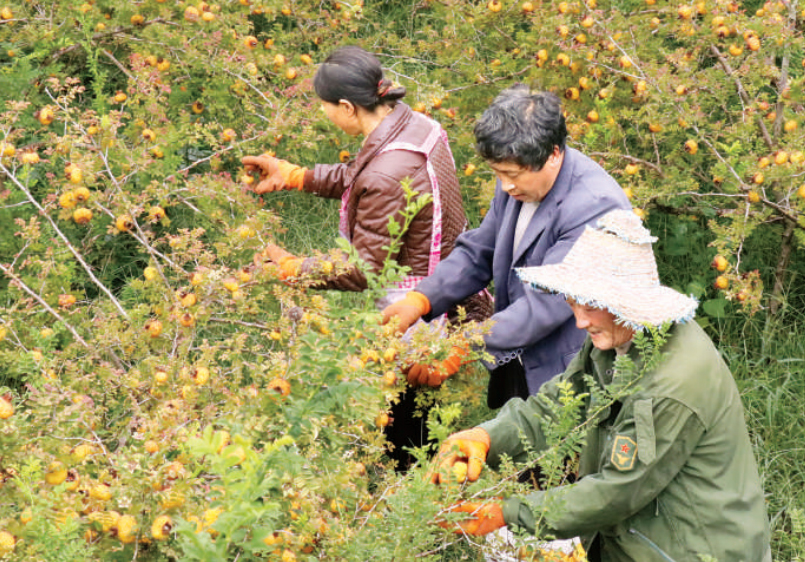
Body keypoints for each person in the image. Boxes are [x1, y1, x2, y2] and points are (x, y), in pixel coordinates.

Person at [428, 210, 771, 562]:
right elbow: (558, 403)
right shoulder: (618, 337)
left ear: (626, 302)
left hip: (695, 550)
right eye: (573, 302)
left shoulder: (671, 383)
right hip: (644, 537)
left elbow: (619, 491)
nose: (580, 321)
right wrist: (486, 437)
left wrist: (508, 513)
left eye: (591, 305)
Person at [242, 45, 492, 468]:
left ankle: (414, 488)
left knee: (405, 420)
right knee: (411, 407)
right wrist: (297, 176)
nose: (323, 113)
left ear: (346, 107)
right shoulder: (412, 125)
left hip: (413, 304)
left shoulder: (389, 170)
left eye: (325, 106)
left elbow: (362, 269)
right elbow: (363, 177)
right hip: (445, 276)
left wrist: (292, 269)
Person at [382, 85, 631, 408]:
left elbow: (544, 304)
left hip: (568, 370)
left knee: (557, 440)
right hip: (519, 357)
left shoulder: (594, 207)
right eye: (498, 173)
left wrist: (463, 344)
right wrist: (422, 299)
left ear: (554, 154)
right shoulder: (519, 185)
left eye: (512, 174)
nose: (505, 185)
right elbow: (479, 251)